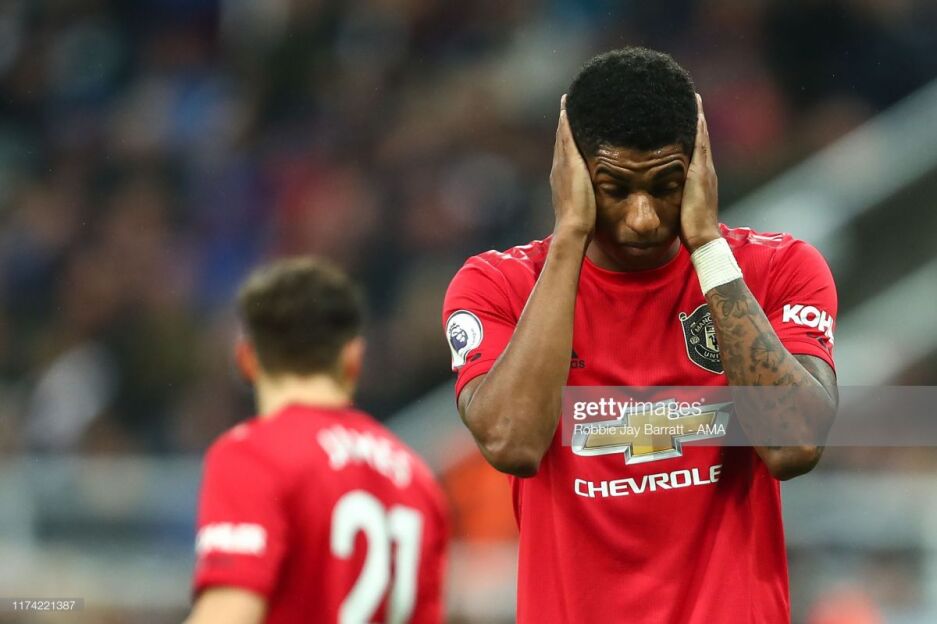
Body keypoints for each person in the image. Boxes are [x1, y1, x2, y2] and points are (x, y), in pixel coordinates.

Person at [442, 47, 838, 623]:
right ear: (570, 174)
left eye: (667, 184)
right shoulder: (499, 287)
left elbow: (793, 444)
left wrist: (707, 247)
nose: (644, 217)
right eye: (615, 188)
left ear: (700, 169)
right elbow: (512, 443)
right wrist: (570, 234)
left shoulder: (777, 270)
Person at [188, 257, 448, 624]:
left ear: (246, 359)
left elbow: (229, 614)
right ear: (354, 358)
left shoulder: (252, 454)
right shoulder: (418, 480)